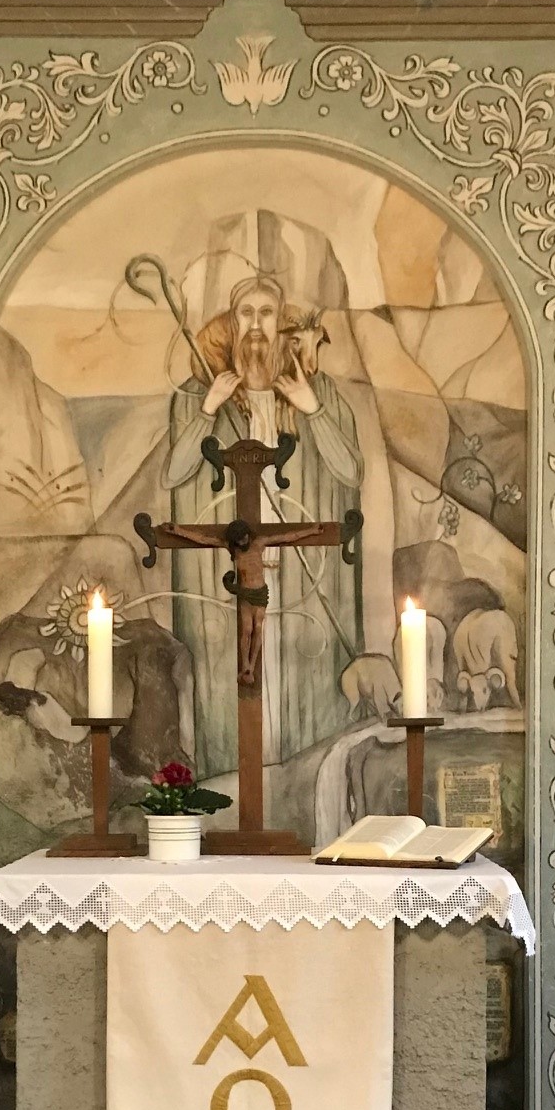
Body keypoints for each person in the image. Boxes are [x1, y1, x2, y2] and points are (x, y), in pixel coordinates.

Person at [162, 274, 364, 779]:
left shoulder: (323, 396)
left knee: (304, 692)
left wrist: (311, 409)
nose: (255, 324)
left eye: (266, 313)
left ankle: (307, 799)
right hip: (226, 582)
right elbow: (174, 472)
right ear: (231, 326)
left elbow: (351, 472)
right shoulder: (196, 395)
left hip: (302, 576)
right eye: (245, 313)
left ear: (282, 325)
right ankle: (233, 805)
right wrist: (209, 407)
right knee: (234, 687)